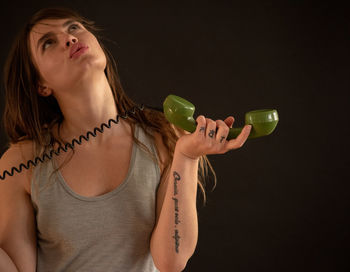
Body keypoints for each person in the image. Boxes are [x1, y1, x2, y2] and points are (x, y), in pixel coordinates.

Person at [0, 6, 252, 272]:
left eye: (74, 27)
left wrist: (187, 156)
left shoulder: (165, 136)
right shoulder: (22, 162)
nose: (69, 38)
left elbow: (171, 261)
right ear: (41, 85)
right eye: (48, 43)